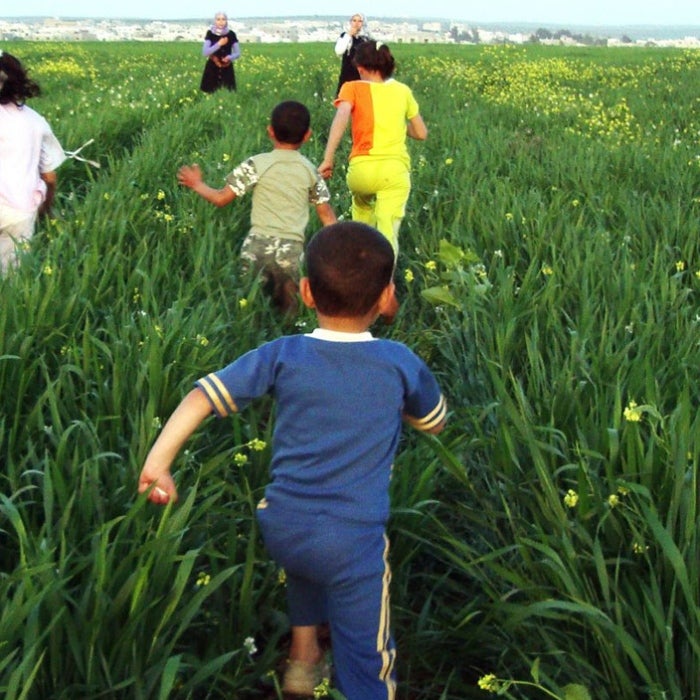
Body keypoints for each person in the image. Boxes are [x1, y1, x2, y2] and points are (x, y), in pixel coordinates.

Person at [138, 222, 448, 700]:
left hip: (282, 522)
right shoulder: (399, 362)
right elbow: (433, 422)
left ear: (305, 291)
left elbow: (203, 395)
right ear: (387, 295)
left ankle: (302, 662)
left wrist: (158, 463)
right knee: (368, 655)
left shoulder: (283, 354)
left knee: (306, 564)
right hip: (353, 539)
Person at [176, 100, 336, 315]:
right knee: (289, 312)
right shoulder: (310, 170)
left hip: (256, 246)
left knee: (248, 307)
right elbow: (327, 217)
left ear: (270, 131)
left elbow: (222, 198)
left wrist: (197, 184)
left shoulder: (257, 163)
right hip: (291, 251)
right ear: (307, 135)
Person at [318, 40, 427, 257]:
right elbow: (421, 133)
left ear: (360, 68)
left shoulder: (352, 87)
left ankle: (358, 263)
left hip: (361, 171)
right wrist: (396, 124)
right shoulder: (402, 91)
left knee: (362, 216)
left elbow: (341, 117)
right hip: (394, 173)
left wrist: (328, 158)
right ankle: (385, 285)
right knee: (388, 233)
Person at [0, 50, 66, 273]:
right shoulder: (36, 122)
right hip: (19, 211)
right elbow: (49, 176)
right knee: (9, 276)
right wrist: (46, 209)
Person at [200, 12, 240, 93]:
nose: (221, 22)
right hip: (212, 68)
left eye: (223, 19)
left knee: (228, 93)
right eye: (218, 19)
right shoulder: (210, 33)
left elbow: (237, 53)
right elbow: (205, 52)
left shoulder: (231, 34)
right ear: (215, 21)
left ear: (226, 21)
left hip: (227, 68)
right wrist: (219, 44)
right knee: (209, 93)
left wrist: (230, 57)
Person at [333, 13, 369, 96]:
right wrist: (349, 35)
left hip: (362, 76)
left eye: (360, 21)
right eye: (354, 20)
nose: (356, 23)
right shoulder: (345, 36)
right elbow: (339, 51)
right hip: (347, 74)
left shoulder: (366, 39)